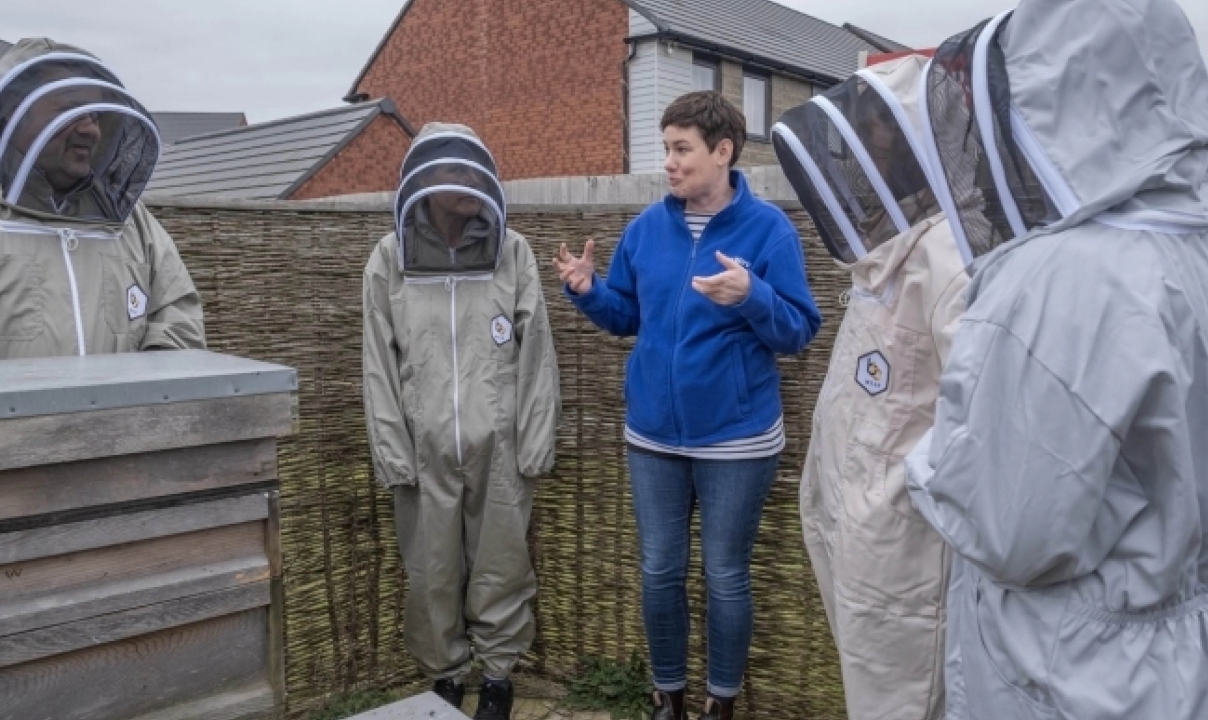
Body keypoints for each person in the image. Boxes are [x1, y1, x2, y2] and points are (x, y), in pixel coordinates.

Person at [903, 1, 1208, 718]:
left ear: (1056, 97)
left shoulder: (1062, 277)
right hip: (1173, 650)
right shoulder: (1188, 251)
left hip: (1068, 667)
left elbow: (1008, 529)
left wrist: (924, 465)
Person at [555, 92, 821, 720]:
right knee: (658, 572)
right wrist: (591, 291)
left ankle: (720, 705)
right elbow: (627, 316)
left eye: (682, 149)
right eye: (666, 149)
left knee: (725, 576)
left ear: (722, 152)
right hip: (653, 436)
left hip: (737, 438)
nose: (669, 163)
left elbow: (799, 331)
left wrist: (752, 294)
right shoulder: (647, 228)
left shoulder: (768, 230)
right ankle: (667, 700)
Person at [773, 54, 968, 720]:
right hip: (852, 524)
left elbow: (972, 421)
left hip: (906, 549)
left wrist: (901, 493)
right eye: (868, 123)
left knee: (908, 701)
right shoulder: (884, 248)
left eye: (888, 123)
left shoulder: (952, 259)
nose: (875, 138)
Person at [362, 122, 560, 720]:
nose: (470, 183)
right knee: (431, 572)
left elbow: (536, 354)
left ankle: (497, 677)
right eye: (455, 173)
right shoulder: (390, 259)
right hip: (423, 452)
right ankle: (444, 677)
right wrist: (393, 450)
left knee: (502, 564)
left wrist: (534, 441)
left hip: (498, 446)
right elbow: (377, 361)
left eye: (477, 171)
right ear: (422, 181)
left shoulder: (512, 253)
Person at [0, 38, 204, 361]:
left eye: (95, 115)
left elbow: (178, 318)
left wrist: (143, 397)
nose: (91, 130)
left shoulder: (130, 220)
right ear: (15, 109)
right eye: (71, 110)